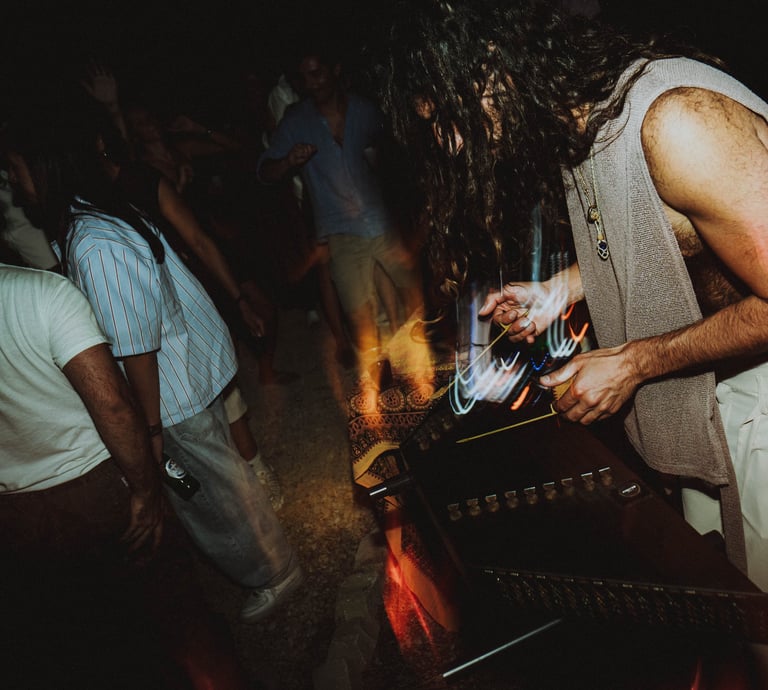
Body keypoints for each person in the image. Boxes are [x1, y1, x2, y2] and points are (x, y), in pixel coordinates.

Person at [374, 0, 768, 684]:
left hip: (758, 401)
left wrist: (638, 360)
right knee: (732, 604)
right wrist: (563, 287)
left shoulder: (676, 121)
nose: (453, 148)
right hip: (717, 396)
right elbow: (670, 231)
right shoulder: (593, 126)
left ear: (490, 67)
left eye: (447, 121)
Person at [4, 107, 304, 624]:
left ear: (45, 166)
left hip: (168, 391)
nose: (12, 180)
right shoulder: (90, 215)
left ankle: (274, 571)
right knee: (217, 480)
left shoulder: (91, 240)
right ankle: (268, 552)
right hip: (178, 379)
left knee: (210, 493)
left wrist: (150, 430)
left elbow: (136, 347)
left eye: (17, 168)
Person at [0, 264, 251, 689]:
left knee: (96, 639)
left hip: (18, 516)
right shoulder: (39, 292)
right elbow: (113, 405)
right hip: (97, 489)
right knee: (177, 615)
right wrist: (146, 489)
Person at [258, 40, 423, 383]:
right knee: (361, 318)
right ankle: (385, 385)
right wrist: (288, 160)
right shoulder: (296, 119)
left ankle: (423, 371)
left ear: (335, 71)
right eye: (304, 77)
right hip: (339, 233)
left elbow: (394, 151)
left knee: (415, 299)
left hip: (382, 222)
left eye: (317, 73)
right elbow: (263, 171)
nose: (311, 83)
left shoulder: (365, 110)